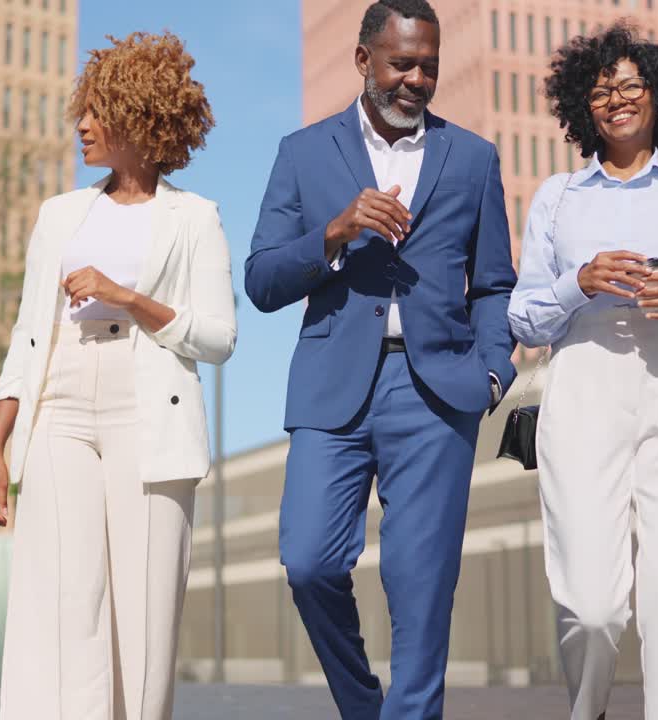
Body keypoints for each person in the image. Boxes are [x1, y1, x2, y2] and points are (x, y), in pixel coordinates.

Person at [245, 0, 516, 716]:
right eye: (402, 63)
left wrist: (493, 371)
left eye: (429, 65)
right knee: (308, 562)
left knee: (421, 586)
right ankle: (364, 705)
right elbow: (263, 280)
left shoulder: (474, 158)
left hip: (437, 392)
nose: (417, 79)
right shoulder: (302, 153)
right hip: (333, 388)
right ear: (363, 59)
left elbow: (493, 284)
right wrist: (334, 232)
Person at [0, 31, 234, 720]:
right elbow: (27, 337)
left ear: (143, 117)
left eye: (97, 111)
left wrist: (128, 297)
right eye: (82, 110)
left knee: (144, 617)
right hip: (59, 402)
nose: (81, 124)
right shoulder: (59, 214)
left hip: (146, 406)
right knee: (63, 602)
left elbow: (218, 337)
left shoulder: (193, 218)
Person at [508, 23, 658, 720]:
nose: (615, 98)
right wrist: (578, 282)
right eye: (600, 88)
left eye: (629, 85)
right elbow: (524, 320)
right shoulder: (557, 197)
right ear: (580, 104)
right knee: (591, 606)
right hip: (583, 402)